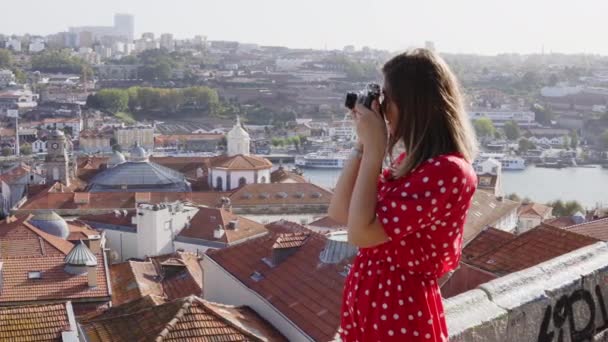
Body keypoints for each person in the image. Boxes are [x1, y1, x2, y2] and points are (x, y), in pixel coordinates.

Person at [328, 49, 478, 341]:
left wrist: (374, 149)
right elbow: (341, 211)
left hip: (399, 309)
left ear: (412, 104)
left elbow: (360, 234)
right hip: (376, 304)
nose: (382, 108)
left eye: (387, 98)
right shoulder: (411, 165)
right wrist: (363, 145)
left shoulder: (449, 172)